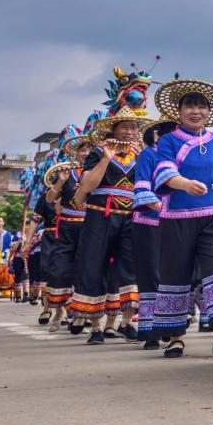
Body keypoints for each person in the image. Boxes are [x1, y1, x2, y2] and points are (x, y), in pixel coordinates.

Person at [150, 79, 213, 358]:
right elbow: (164, 172)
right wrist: (185, 184)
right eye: (189, 106)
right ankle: (175, 337)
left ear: (208, 112)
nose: (195, 111)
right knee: (176, 274)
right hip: (176, 216)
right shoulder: (168, 141)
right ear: (179, 112)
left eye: (201, 106)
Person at [72, 108, 147, 343]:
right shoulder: (97, 152)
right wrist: (106, 158)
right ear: (113, 130)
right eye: (124, 127)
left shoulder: (142, 154)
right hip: (100, 217)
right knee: (94, 266)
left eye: (133, 127)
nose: (130, 132)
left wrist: (144, 158)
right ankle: (95, 327)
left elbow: (150, 184)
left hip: (132, 217)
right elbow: (87, 186)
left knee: (131, 267)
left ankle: (125, 323)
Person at [133, 119, 176, 348]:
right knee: (151, 274)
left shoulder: (179, 156)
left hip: (176, 222)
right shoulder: (148, 154)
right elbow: (143, 191)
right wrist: (166, 210)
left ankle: (168, 325)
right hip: (150, 222)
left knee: (171, 273)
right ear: (158, 135)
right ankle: (150, 329)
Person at [43, 138, 90, 331]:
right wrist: (60, 182)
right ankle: (58, 312)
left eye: (89, 150)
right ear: (75, 153)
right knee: (60, 269)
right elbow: (49, 199)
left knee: (85, 270)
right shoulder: (67, 172)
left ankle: (83, 313)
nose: (86, 154)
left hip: (90, 226)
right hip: (67, 227)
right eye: (82, 150)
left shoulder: (99, 171)